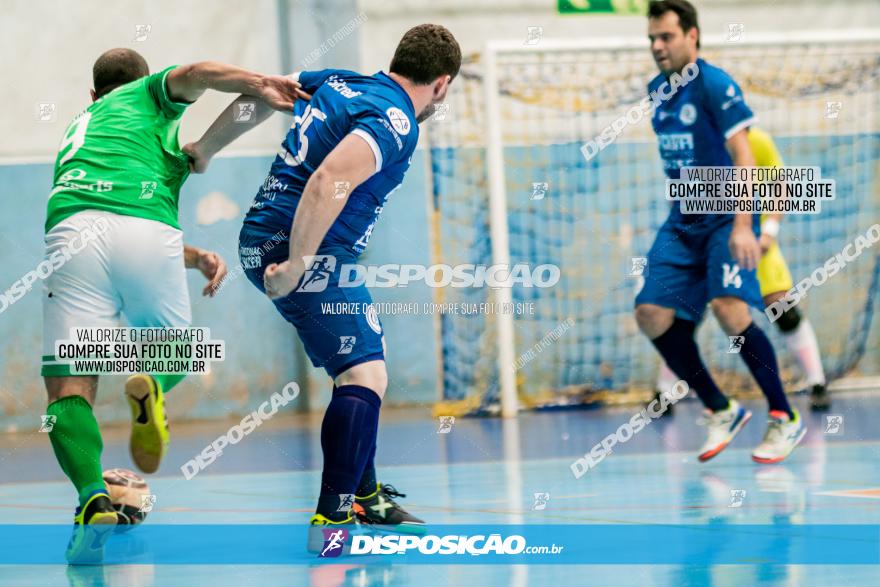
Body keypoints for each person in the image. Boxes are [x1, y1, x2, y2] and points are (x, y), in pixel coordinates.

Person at [184, 24, 462, 550]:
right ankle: (331, 521)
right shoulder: (396, 119)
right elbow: (328, 180)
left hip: (269, 236)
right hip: (305, 249)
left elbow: (265, 91)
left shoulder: (341, 82)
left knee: (355, 362)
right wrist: (296, 265)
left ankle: (367, 495)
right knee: (366, 373)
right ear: (442, 83)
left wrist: (205, 148)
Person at [42, 48, 303, 561]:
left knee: (66, 390)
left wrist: (193, 256)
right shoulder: (150, 97)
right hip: (146, 231)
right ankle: (152, 388)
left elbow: (103, 219)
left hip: (69, 231)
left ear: (92, 95)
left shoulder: (81, 130)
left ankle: (92, 498)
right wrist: (260, 83)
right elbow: (200, 72)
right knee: (175, 353)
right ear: (145, 83)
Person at [635, 1, 806, 465]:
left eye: (666, 37)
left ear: (692, 35)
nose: (657, 46)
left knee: (730, 307)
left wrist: (744, 225)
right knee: (650, 313)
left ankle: (784, 416)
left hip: (725, 216)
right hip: (683, 220)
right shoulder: (656, 91)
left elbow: (745, 156)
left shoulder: (714, 84)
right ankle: (719, 409)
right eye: (652, 38)